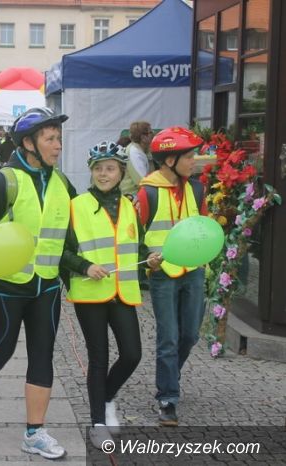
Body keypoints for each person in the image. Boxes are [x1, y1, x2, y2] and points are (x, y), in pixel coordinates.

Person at [0, 107, 76, 460]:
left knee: (42, 354)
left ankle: (34, 432)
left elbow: (70, 235)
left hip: (46, 287)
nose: (58, 145)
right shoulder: (4, 183)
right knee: (2, 349)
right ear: (28, 143)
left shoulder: (62, 183)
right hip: (6, 287)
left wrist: (76, 274)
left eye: (58, 138)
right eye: (50, 138)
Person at [65, 141, 161, 447]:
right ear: (91, 172)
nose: (103, 174)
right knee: (99, 358)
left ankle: (105, 398)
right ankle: (97, 422)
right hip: (90, 293)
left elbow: (137, 245)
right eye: (98, 169)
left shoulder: (130, 207)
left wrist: (150, 258)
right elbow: (62, 252)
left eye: (110, 168)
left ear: (121, 172)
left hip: (123, 292)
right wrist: (85, 266)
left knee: (132, 354)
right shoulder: (76, 206)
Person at [136, 126, 207, 427]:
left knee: (190, 335)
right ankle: (168, 397)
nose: (194, 161)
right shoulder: (147, 192)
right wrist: (146, 259)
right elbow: (133, 235)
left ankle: (170, 375)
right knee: (169, 337)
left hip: (193, 271)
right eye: (189, 156)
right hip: (163, 275)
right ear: (169, 160)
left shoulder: (198, 189)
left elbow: (204, 228)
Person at [120, 121, 155, 196]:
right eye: (151, 132)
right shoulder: (134, 152)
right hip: (131, 196)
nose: (153, 134)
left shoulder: (142, 150)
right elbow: (142, 181)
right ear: (143, 137)